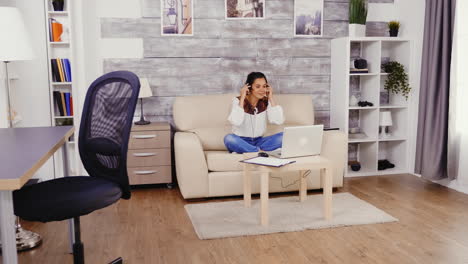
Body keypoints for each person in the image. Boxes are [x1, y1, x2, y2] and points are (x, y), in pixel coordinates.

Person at [224, 72, 285, 153]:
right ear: (249, 88)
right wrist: (242, 97)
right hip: (241, 141)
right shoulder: (237, 101)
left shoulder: (265, 102)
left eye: (264, 86)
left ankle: (253, 151)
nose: (262, 90)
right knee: (229, 138)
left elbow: (278, 120)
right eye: (257, 86)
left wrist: (271, 98)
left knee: (285, 136)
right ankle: (259, 152)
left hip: (260, 141)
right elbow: (236, 121)